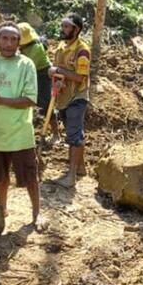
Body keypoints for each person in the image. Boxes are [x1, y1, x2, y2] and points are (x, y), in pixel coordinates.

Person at [0, 22, 45, 229]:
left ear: (19, 43)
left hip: (19, 133)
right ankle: (2, 208)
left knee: (30, 176)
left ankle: (36, 214)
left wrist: (1, 101)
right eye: (4, 38)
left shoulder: (26, 65)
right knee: (0, 177)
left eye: (13, 39)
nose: (9, 43)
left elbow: (30, 100)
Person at [48, 14, 91, 189]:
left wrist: (58, 70)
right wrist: (56, 77)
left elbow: (80, 77)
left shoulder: (82, 51)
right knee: (74, 133)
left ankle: (71, 176)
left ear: (76, 29)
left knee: (74, 136)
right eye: (63, 26)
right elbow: (61, 71)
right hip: (63, 97)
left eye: (67, 27)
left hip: (76, 98)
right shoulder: (61, 47)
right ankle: (80, 168)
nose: (63, 29)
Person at [16, 22, 57, 141]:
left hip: (42, 74)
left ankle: (55, 133)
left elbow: (27, 66)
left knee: (46, 103)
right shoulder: (24, 47)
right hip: (32, 74)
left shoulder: (36, 48)